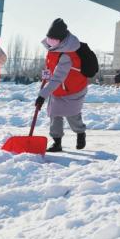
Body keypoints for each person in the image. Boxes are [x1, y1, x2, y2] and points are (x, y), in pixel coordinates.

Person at [35, 18, 89, 152]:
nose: (50, 43)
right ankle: (57, 142)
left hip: (74, 88)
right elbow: (50, 68)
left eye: (53, 41)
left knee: (72, 115)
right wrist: (46, 75)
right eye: (49, 39)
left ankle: (80, 133)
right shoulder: (53, 49)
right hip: (58, 88)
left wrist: (42, 95)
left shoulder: (67, 55)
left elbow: (58, 77)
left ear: (62, 40)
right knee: (54, 115)